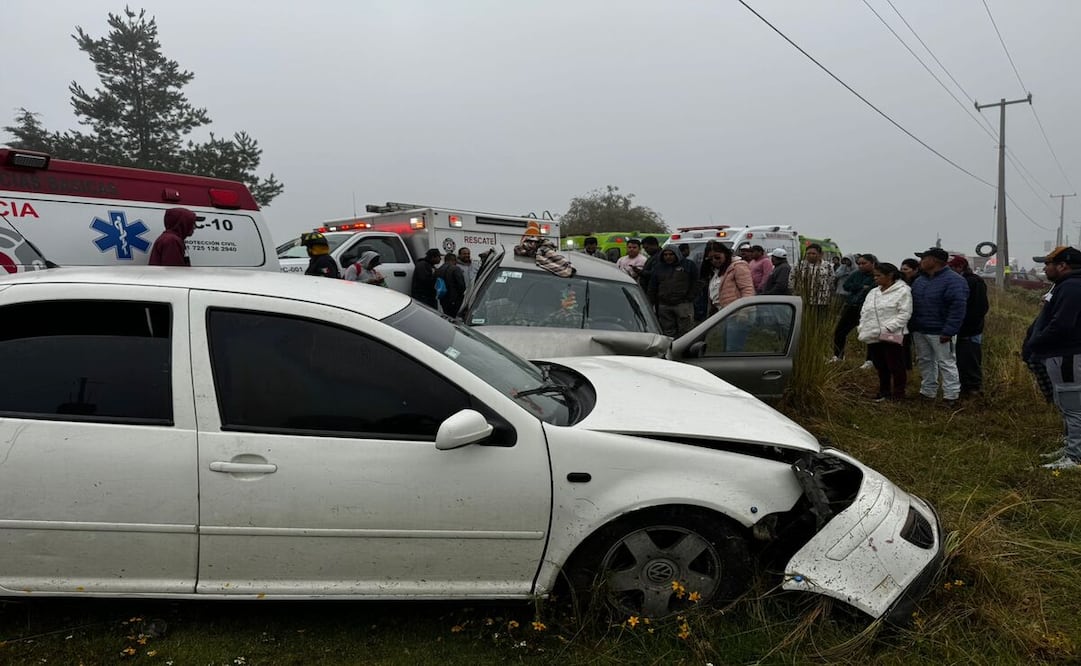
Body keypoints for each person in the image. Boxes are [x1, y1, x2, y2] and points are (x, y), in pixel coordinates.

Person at [1024, 247, 1081, 470]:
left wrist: (1037, 341)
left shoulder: (1072, 286)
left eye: (1047, 264)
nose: (1044, 268)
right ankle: (1070, 446)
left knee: (1073, 406)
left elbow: (1062, 324)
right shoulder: (1065, 285)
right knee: (1066, 404)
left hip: (1067, 354)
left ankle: (1075, 457)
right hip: (1061, 353)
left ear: (1062, 265)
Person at [909, 247, 969, 403]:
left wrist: (949, 331)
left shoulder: (954, 280)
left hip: (941, 331)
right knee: (925, 360)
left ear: (934, 261)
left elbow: (958, 308)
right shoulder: (920, 281)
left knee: (946, 362)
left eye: (924, 258)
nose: (921, 262)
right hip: (920, 329)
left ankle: (951, 395)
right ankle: (928, 391)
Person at [857, 263, 912, 401]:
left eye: (879, 275)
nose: (875, 278)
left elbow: (904, 314)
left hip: (893, 334)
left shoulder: (903, 291)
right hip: (873, 333)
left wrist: (887, 328)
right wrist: (863, 326)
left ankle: (898, 394)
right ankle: (884, 392)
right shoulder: (873, 292)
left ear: (890, 275)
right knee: (880, 365)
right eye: (874, 275)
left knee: (895, 365)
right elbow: (865, 311)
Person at [948, 255, 990, 397]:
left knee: (970, 359)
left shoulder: (974, 282)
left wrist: (968, 326)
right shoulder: (960, 281)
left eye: (951, 267)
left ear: (960, 267)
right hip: (960, 329)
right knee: (961, 359)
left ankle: (973, 388)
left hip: (971, 330)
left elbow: (980, 308)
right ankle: (964, 387)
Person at [831, 253, 877, 365]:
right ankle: (838, 356)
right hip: (852, 305)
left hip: (868, 308)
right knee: (840, 331)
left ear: (872, 263)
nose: (861, 266)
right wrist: (860, 286)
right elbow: (846, 285)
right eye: (859, 263)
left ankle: (870, 360)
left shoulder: (877, 275)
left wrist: (864, 288)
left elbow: (873, 288)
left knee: (870, 334)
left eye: (864, 263)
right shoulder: (856, 273)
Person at [708, 243, 755, 350]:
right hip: (725, 312)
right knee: (726, 346)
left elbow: (747, 289)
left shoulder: (738, 266)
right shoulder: (719, 270)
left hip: (738, 314)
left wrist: (744, 312)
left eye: (717, 257)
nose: (714, 261)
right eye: (710, 259)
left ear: (725, 254)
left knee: (733, 348)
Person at [648, 245, 698, 336]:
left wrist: (690, 297)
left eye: (671, 254)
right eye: (665, 254)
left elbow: (696, 282)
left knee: (686, 332)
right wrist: (652, 301)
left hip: (683, 303)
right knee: (668, 331)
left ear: (677, 254)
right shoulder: (658, 267)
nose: (668, 257)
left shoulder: (688, 265)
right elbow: (653, 285)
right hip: (664, 304)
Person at [790, 243, 834, 315]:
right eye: (808, 253)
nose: (810, 255)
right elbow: (791, 281)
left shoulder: (828, 266)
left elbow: (831, 281)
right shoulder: (798, 265)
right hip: (804, 300)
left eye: (813, 253)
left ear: (820, 254)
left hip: (821, 301)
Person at [436, 252, 467, 317]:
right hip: (455, 298)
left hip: (443, 298)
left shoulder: (439, 269)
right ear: (454, 260)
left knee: (447, 315)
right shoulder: (456, 269)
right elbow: (461, 284)